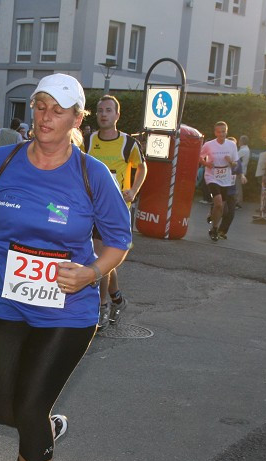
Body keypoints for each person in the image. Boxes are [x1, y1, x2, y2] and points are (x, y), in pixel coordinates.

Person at [0, 73, 131, 461]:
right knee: (2, 408)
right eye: (39, 107)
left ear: (78, 119)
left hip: (68, 310)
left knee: (31, 406)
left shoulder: (91, 174)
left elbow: (119, 240)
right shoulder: (2, 161)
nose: (45, 117)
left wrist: (92, 273)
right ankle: (43, 429)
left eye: (57, 110)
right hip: (6, 301)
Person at [86, 94, 147, 328]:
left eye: (108, 110)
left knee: (102, 258)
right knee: (103, 260)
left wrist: (134, 190)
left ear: (117, 115)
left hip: (116, 211)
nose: (103, 114)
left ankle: (101, 307)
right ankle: (116, 299)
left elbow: (142, 167)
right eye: (100, 110)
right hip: (91, 208)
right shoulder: (89, 141)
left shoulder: (128, 143)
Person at [199, 121, 239, 241]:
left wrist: (231, 162)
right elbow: (199, 156)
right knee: (219, 204)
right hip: (212, 176)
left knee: (221, 207)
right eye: (219, 132)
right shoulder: (209, 144)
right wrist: (206, 163)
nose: (221, 134)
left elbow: (236, 163)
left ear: (226, 132)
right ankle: (215, 228)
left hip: (225, 177)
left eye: (223, 131)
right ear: (215, 132)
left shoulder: (231, 145)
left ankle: (213, 225)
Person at [236, 135, 251, 209]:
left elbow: (235, 158)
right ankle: (238, 202)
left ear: (242, 141)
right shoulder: (246, 149)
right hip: (242, 170)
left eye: (240, 140)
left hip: (240, 171)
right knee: (238, 186)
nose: (239, 142)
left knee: (238, 187)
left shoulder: (243, 150)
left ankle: (238, 203)